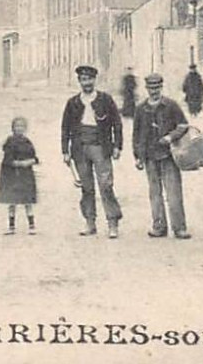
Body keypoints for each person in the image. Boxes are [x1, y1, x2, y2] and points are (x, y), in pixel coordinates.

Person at [59, 63, 124, 238]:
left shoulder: (105, 100)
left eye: (89, 79)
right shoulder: (73, 103)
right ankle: (90, 222)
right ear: (79, 81)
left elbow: (117, 124)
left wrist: (117, 146)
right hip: (80, 149)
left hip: (100, 147)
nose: (86, 83)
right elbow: (65, 128)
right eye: (83, 79)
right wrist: (65, 151)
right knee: (86, 188)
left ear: (95, 80)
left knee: (106, 185)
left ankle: (112, 223)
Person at [132, 73, 190, 239]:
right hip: (149, 157)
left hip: (168, 155)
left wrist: (170, 137)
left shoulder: (171, 106)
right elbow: (136, 135)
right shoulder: (141, 109)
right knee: (155, 193)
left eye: (157, 88)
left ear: (161, 87)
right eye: (151, 88)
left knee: (173, 193)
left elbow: (183, 125)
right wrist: (137, 156)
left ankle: (179, 228)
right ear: (147, 89)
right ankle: (159, 226)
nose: (154, 91)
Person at [0, 116, 39, 235]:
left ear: (25, 128)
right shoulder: (9, 142)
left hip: (26, 175)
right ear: (13, 128)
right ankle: (11, 226)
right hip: (13, 175)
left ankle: (31, 225)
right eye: (17, 126)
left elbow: (34, 157)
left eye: (22, 126)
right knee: (12, 201)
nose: (19, 129)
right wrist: (20, 163)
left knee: (28, 201)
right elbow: (8, 160)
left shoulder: (27, 142)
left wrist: (31, 161)